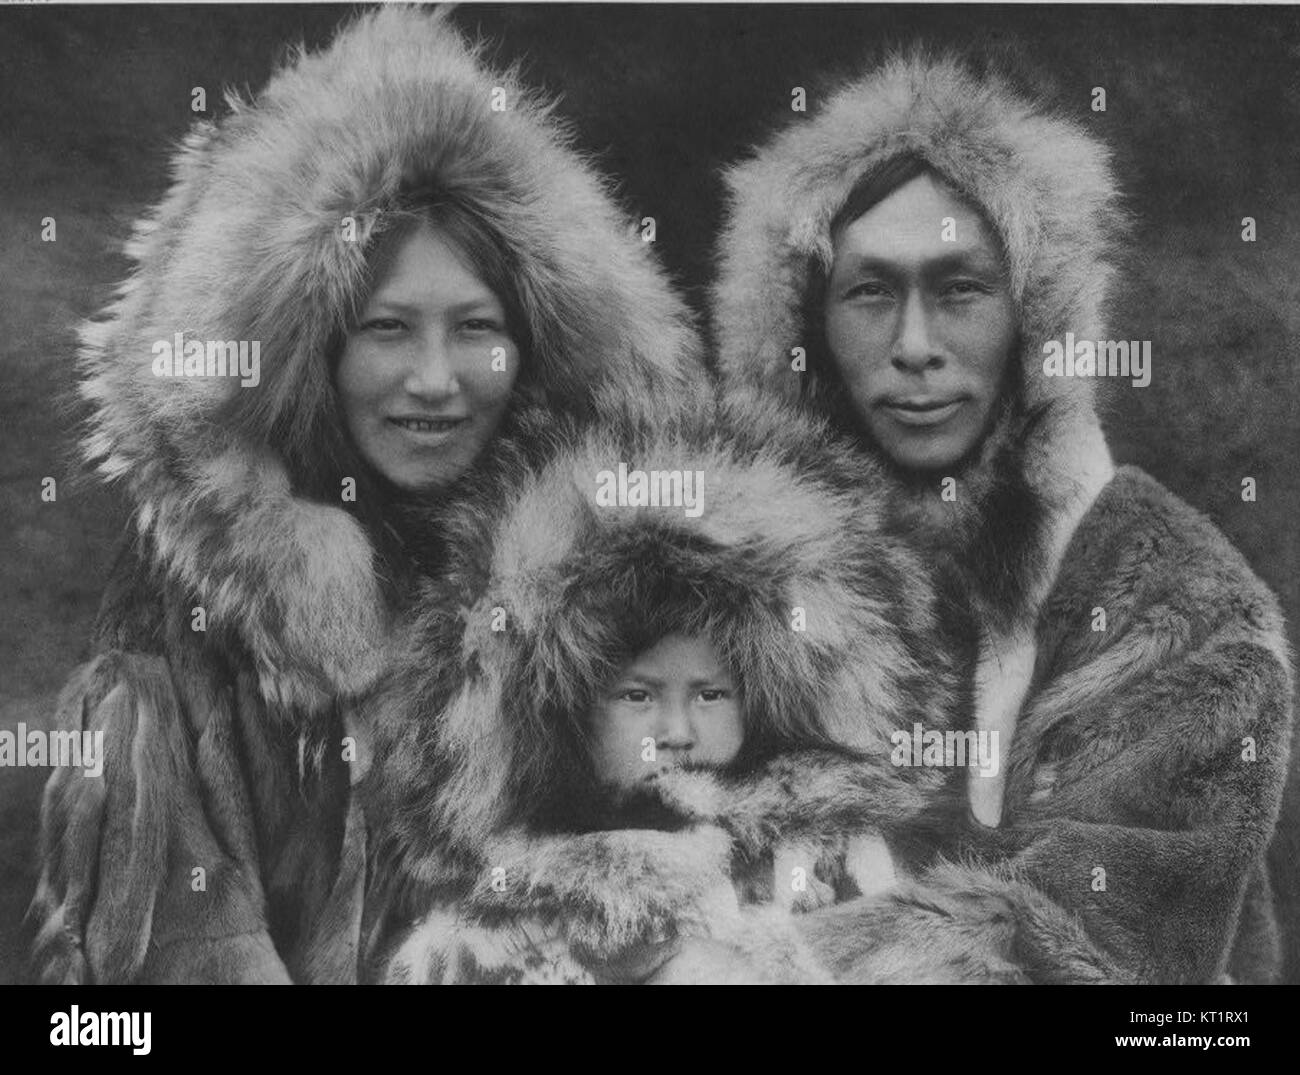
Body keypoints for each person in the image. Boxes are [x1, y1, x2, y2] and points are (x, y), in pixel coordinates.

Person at [29, 7, 702, 984]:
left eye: (475, 327)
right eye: (387, 329)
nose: (434, 379)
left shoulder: (613, 593)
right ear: (314, 352)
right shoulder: (195, 609)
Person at [711, 50, 1294, 983]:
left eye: (960, 290)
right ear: (806, 326)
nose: (914, 349)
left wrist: (758, 963)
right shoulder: (731, 575)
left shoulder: (1177, 602)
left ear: (1033, 319)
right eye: (869, 292)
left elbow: (1097, 948)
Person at [360, 399, 965, 984]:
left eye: (710, 696)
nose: (676, 733)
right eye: (637, 697)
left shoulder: (825, 865)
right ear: (562, 719)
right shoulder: (493, 915)